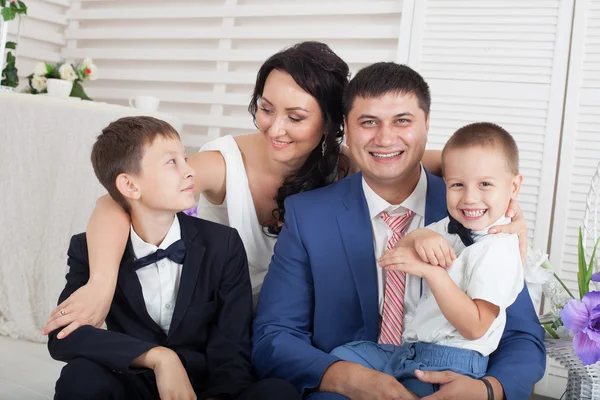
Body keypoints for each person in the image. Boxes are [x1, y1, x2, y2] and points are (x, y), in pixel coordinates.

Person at [42, 41, 442, 337]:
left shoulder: (352, 158)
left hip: (299, 325)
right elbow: (118, 201)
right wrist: (101, 284)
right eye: (266, 109)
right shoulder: (223, 164)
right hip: (223, 327)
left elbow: (445, 160)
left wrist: (507, 213)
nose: (275, 128)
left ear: (331, 124)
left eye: (296, 117)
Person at [251, 63, 546, 400]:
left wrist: (488, 390)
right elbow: (274, 335)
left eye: (402, 121)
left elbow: (522, 336)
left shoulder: (479, 214)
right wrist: (347, 379)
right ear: (346, 128)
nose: (385, 138)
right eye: (368, 122)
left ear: (426, 125)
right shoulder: (308, 215)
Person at [47, 116, 299, 400]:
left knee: (279, 393)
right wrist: (158, 357)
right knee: (79, 378)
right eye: (171, 162)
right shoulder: (88, 248)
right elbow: (63, 338)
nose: (190, 171)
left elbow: (232, 347)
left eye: (185, 158)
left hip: (206, 388)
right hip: (135, 381)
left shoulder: (223, 244)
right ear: (130, 186)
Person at [329, 122, 527, 397]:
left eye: (485, 184)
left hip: (451, 362)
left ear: (514, 187)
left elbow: (476, 326)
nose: (470, 198)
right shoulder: (454, 226)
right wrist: (420, 237)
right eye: (457, 184)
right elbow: (401, 246)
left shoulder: (498, 249)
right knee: (343, 356)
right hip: (412, 350)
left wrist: (434, 274)